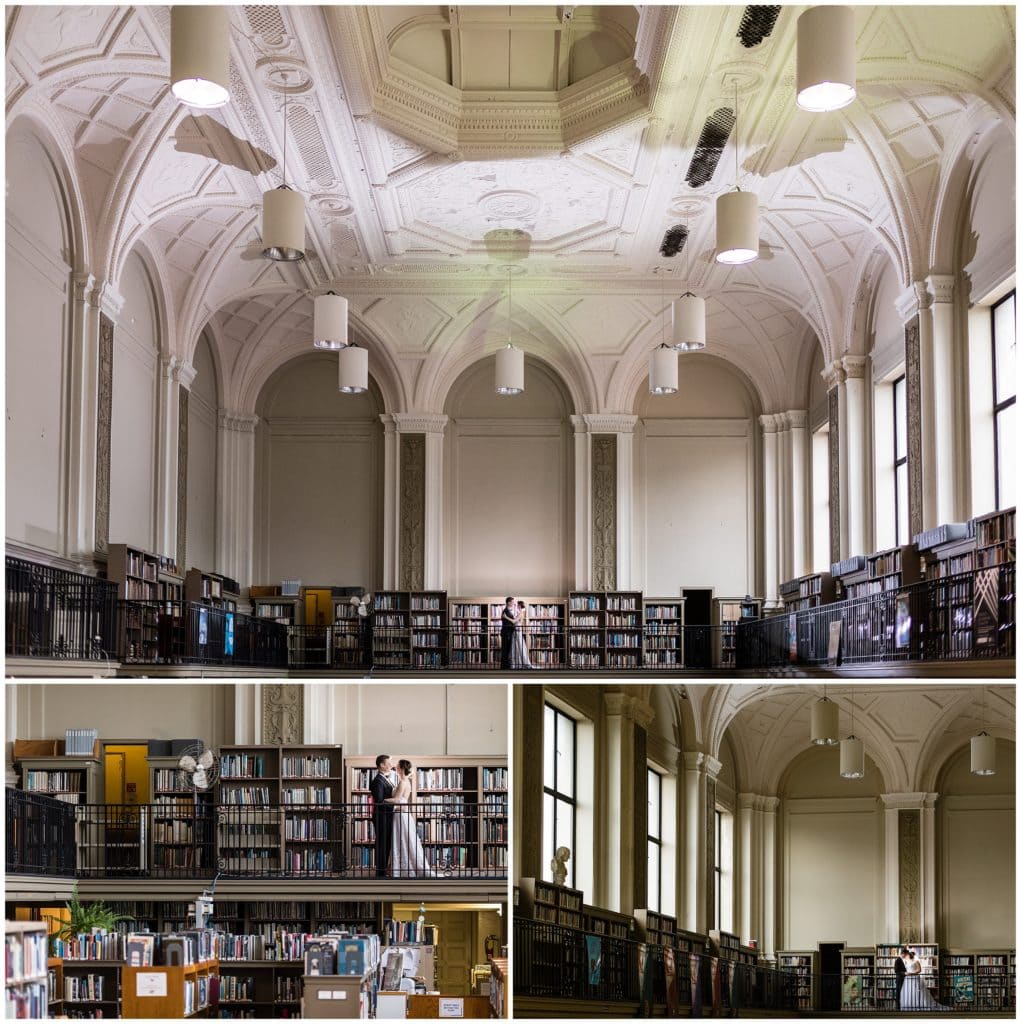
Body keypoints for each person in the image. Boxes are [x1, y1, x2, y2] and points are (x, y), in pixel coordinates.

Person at [388, 759, 436, 877]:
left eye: (397, 766)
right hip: (404, 814)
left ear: (402, 768)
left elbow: (397, 800)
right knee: (406, 841)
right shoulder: (406, 781)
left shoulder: (402, 782)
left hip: (400, 815)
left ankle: (402, 869)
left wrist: (381, 801)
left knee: (402, 840)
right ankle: (403, 867)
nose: (395, 767)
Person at [369, 754, 397, 877]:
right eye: (388, 763)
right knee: (382, 844)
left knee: (386, 844)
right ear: (381, 765)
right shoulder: (377, 781)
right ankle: (380, 873)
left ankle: (383, 870)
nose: (391, 765)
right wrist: (395, 806)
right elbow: (379, 801)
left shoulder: (385, 779)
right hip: (382, 817)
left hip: (387, 816)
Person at [510, 600, 533, 669]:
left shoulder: (521, 613)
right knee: (516, 646)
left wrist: (505, 617)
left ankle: (524, 663)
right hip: (516, 630)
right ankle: (517, 663)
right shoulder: (520, 612)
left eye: (517, 605)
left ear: (519, 605)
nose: (516, 606)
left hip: (517, 630)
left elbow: (514, 621)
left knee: (519, 646)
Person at [499, 597, 517, 669]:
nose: (513, 603)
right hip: (506, 633)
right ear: (508, 602)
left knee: (508, 650)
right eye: (512, 602)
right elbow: (509, 622)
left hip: (508, 633)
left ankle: (507, 665)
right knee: (505, 650)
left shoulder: (508, 611)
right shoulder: (505, 611)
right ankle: (504, 666)